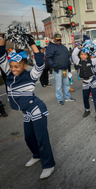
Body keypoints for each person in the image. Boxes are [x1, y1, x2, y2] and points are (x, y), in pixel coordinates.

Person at [0, 35, 55, 179]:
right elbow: (1, 55)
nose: (13, 69)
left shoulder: (31, 75)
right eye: (11, 66)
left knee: (41, 139)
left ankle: (48, 165)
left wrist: (32, 43)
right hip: (26, 112)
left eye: (16, 66)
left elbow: (40, 64)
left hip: (36, 109)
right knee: (29, 138)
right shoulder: (9, 74)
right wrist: (4, 39)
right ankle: (36, 155)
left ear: (24, 65)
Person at [72, 46, 96, 121]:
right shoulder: (77, 61)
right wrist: (78, 47)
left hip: (93, 80)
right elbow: (73, 55)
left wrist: (93, 50)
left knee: (95, 97)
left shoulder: (92, 61)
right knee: (85, 97)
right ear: (79, 55)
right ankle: (87, 110)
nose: (83, 56)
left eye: (85, 54)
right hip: (85, 82)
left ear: (88, 55)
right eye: (81, 54)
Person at [46, 33, 75, 105]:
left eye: (60, 40)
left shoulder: (63, 47)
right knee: (59, 85)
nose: (59, 41)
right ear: (54, 39)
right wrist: (53, 66)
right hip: (58, 69)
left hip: (65, 69)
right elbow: (48, 58)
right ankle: (60, 99)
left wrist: (68, 66)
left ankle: (67, 97)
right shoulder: (50, 47)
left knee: (66, 84)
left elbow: (67, 57)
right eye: (57, 40)